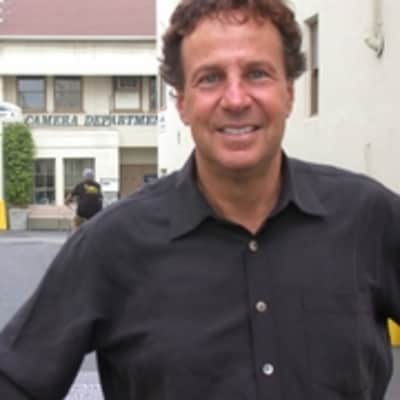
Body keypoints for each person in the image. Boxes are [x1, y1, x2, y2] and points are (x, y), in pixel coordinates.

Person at [0, 0, 399, 399]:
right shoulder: (112, 243)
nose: (236, 99)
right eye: (210, 78)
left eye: (257, 74)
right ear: (182, 104)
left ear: (289, 93)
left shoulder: (367, 217)